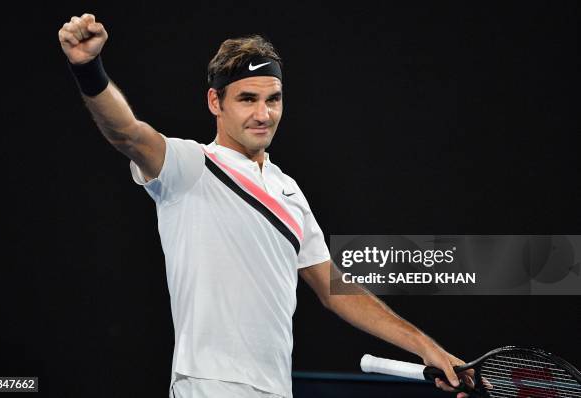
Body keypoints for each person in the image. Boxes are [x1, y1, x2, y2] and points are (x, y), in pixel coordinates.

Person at [58, 13, 474, 398]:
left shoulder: (288, 190)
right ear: (215, 102)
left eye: (273, 99)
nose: (263, 114)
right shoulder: (189, 166)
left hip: (276, 387)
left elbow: (336, 290)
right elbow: (126, 134)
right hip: (208, 382)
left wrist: (425, 346)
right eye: (247, 99)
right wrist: (87, 68)